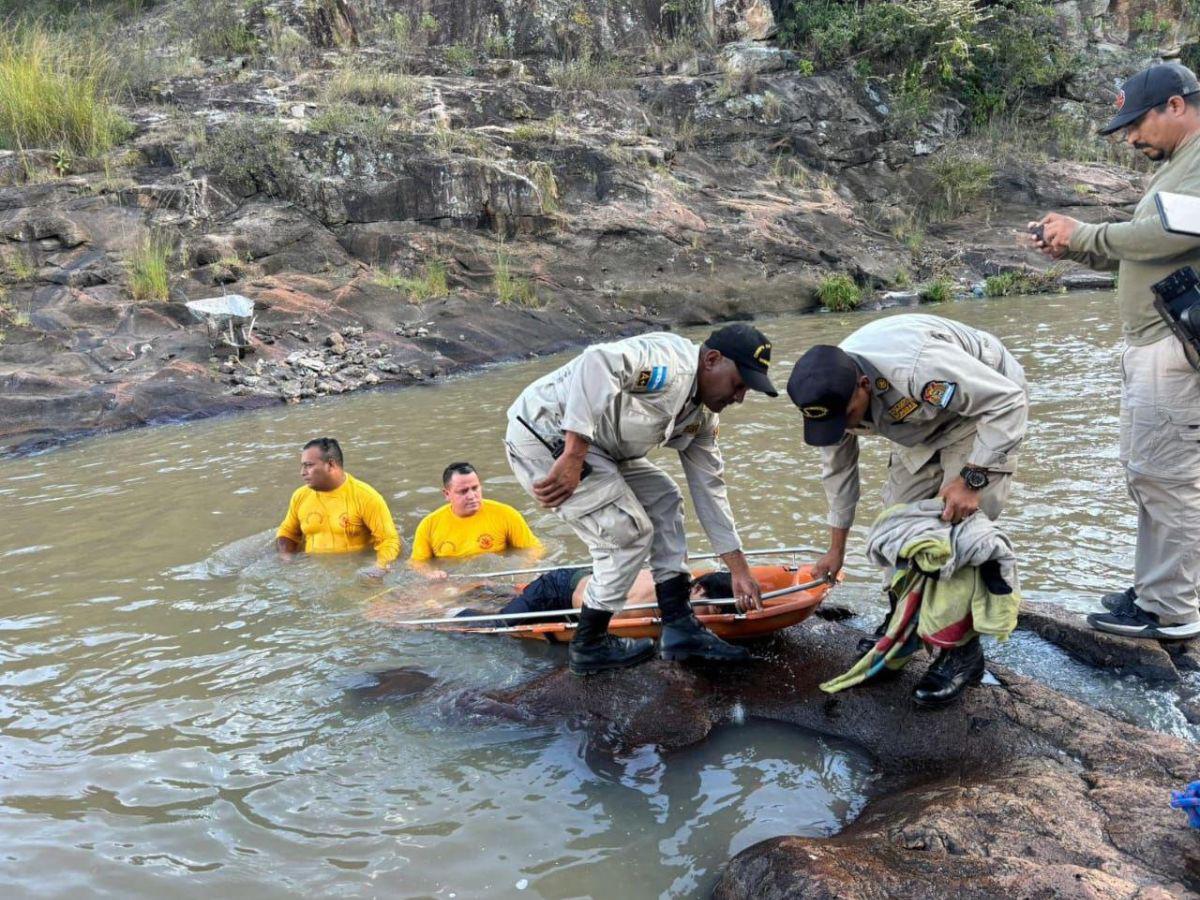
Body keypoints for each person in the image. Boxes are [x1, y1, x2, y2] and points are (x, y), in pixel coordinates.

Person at [1031, 62, 1200, 641]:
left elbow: (1167, 236)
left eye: (1137, 123)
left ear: (1175, 106)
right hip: (1156, 343)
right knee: (1149, 472)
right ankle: (1157, 590)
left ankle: (1172, 610)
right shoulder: (1180, 166)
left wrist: (1083, 233)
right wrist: (1074, 248)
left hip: (1172, 347)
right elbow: (1145, 249)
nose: (1130, 137)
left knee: (1166, 475)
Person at [506, 322, 778, 675]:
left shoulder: (703, 418)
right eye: (739, 384)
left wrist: (739, 570)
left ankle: (679, 626)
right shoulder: (668, 366)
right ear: (711, 360)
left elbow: (711, 491)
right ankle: (590, 645)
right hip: (547, 434)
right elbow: (597, 362)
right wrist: (573, 454)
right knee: (628, 533)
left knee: (665, 498)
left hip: (601, 450)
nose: (740, 397)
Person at [787, 313, 1027, 705]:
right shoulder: (829, 400)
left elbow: (1006, 402)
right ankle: (905, 627)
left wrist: (972, 480)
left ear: (863, 385)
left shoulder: (917, 369)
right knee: (894, 530)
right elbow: (839, 472)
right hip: (918, 428)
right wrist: (836, 548)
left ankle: (961, 655)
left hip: (982, 413)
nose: (842, 427)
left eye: (846, 417)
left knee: (953, 536)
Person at [276, 437, 401, 577]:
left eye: (309, 465)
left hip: (352, 573)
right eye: (302, 466)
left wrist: (379, 568)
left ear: (330, 464)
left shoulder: (367, 497)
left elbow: (389, 540)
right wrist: (287, 561)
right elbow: (287, 533)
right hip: (311, 574)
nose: (302, 472)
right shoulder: (300, 496)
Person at [409, 462, 542, 578]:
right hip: (456, 585)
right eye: (463, 491)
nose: (472, 496)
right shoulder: (429, 524)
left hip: (495, 582)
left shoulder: (506, 514)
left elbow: (534, 548)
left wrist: (521, 569)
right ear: (447, 494)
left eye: (475, 488)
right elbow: (417, 562)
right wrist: (429, 573)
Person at [452, 569, 733, 624]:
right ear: (697, 590)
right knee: (497, 626)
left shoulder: (679, 577)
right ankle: (447, 615)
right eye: (710, 610)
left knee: (513, 602)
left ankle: (486, 589)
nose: (707, 619)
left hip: (581, 583)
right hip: (558, 592)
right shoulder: (658, 601)